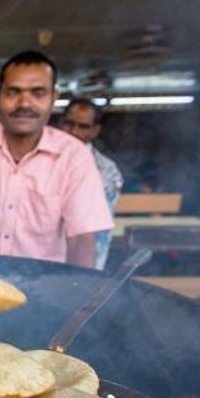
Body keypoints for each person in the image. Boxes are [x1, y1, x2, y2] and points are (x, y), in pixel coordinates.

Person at [0, 51, 113, 268]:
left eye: (38, 93)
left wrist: (78, 297)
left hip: (45, 292)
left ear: (53, 98)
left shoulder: (74, 155)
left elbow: (81, 240)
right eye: (13, 92)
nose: (24, 103)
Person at [61, 97, 124, 269]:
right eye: (69, 124)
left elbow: (97, 232)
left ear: (95, 130)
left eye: (83, 126)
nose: (74, 131)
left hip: (85, 256)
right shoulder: (43, 161)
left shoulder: (106, 171)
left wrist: (90, 273)